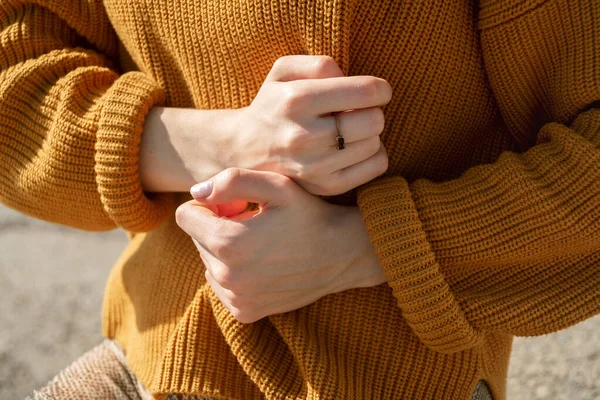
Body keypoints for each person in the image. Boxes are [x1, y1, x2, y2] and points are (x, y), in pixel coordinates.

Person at [1, 0, 598, 399]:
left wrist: (365, 247)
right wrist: (224, 142)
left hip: (394, 383)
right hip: (147, 360)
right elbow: (14, 64)